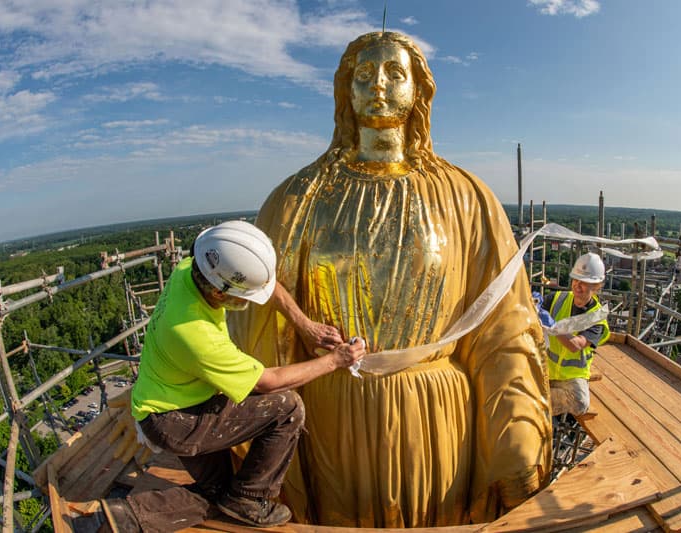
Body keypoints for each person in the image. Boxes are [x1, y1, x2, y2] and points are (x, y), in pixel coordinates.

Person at [228, 31, 551, 527]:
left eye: (394, 73)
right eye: (363, 74)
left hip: (435, 418)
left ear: (419, 90)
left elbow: (505, 325)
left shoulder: (467, 199)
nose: (378, 84)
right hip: (332, 414)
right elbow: (260, 324)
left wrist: (516, 437)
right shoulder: (295, 200)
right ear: (346, 90)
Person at [100, 221, 365, 532]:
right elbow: (269, 382)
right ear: (217, 291)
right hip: (177, 422)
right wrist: (337, 360)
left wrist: (304, 325)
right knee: (286, 408)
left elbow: (266, 285)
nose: (247, 303)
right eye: (243, 298)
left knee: (217, 494)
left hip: (163, 404)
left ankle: (124, 517)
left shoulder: (192, 269)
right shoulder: (194, 334)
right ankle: (251, 497)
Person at [544, 252, 611, 417]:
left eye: (584, 283)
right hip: (545, 367)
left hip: (571, 377)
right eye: (575, 280)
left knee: (580, 403)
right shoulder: (557, 299)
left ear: (596, 287)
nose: (577, 286)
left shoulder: (597, 318)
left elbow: (575, 345)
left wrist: (553, 326)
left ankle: (539, 404)